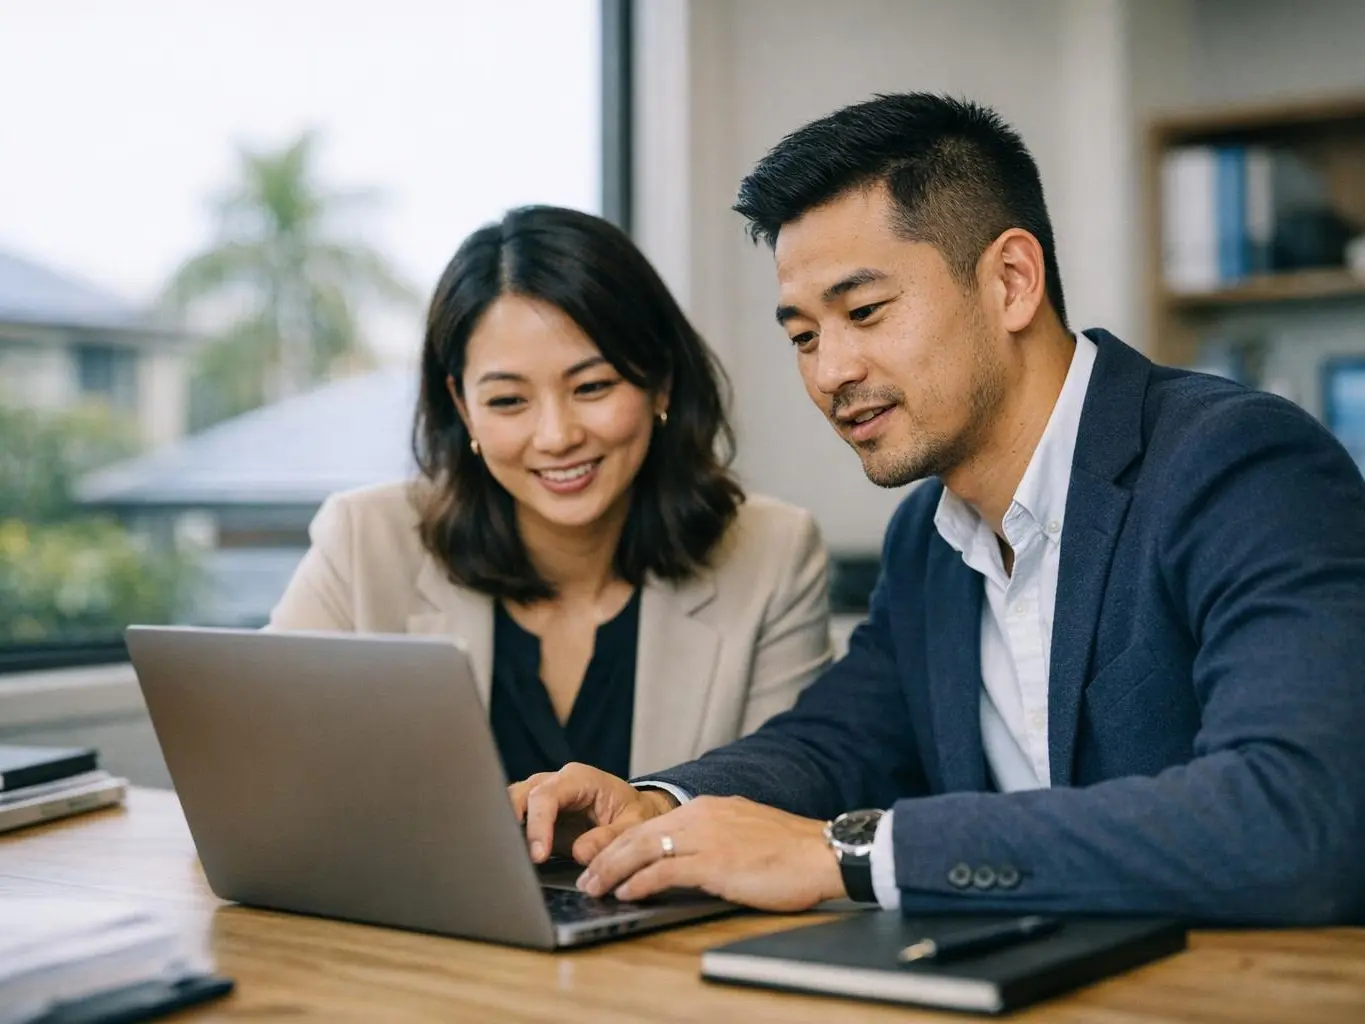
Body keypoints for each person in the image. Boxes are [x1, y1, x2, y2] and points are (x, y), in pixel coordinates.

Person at [511, 95, 1365, 925]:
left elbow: (1298, 814)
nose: (829, 371)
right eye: (802, 336)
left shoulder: (1237, 463)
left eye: (865, 312)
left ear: (1011, 280)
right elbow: (839, 742)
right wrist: (654, 803)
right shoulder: (927, 537)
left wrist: (847, 856)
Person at [269, 205, 833, 783]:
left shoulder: (773, 555)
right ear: (463, 408)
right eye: (509, 401)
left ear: (660, 380)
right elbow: (261, 763)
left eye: (592, 387)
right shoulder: (362, 541)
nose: (557, 436)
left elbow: (784, 795)